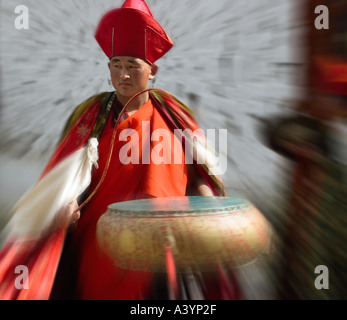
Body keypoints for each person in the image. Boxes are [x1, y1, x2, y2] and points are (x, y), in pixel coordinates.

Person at [0, 0, 231, 300]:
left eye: (132, 67)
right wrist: (66, 202)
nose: (123, 75)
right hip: (98, 243)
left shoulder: (175, 118)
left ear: (153, 70)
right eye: (116, 66)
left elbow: (199, 174)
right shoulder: (92, 115)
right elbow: (70, 174)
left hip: (160, 244)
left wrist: (211, 211)